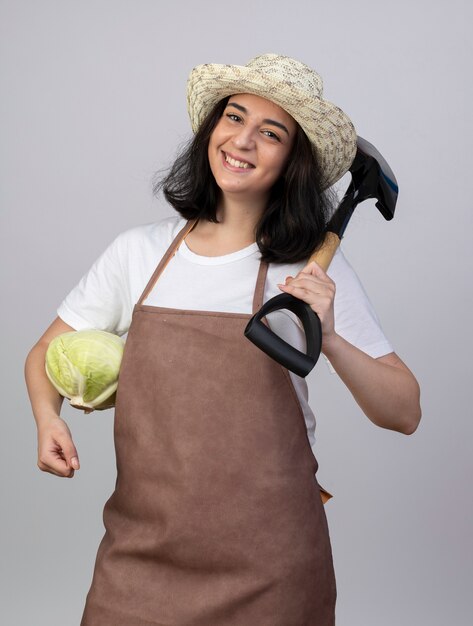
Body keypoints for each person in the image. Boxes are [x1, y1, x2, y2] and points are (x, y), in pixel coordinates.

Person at [25, 54, 421, 625]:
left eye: (271, 132)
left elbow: (405, 411)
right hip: (141, 554)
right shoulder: (139, 253)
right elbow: (43, 353)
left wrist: (330, 338)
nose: (243, 140)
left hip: (271, 568)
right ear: (211, 129)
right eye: (233, 117)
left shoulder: (307, 278)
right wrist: (48, 419)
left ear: (293, 162)